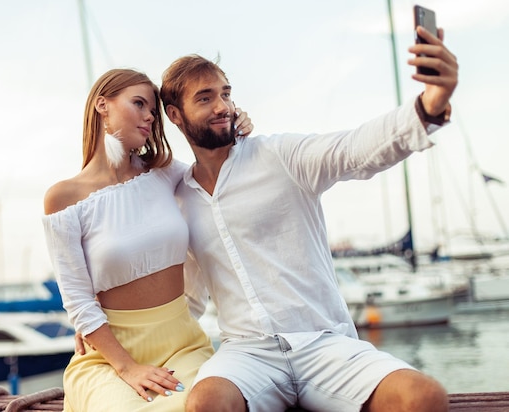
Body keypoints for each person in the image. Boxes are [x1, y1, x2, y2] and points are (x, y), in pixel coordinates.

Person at [159, 25, 458, 412]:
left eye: (226, 94)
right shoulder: (179, 197)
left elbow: (356, 149)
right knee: (206, 403)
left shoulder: (281, 156)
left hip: (324, 344)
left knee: (424, 397)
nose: (223, 107)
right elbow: (187, 296)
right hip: (246, 355)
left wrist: (430, 104)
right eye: (205, 98)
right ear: (175, 115)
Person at [42, 68, 253, 411]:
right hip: (110, 357)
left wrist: (234, 131)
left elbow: (222, 178)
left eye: (153, 111)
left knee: (208, 403)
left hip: (183, 344)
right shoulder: (64, 199)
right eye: (138, 104)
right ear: (102, 105)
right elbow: (78, 299)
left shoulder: (166, 173)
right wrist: (127, 366)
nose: (149, 117)